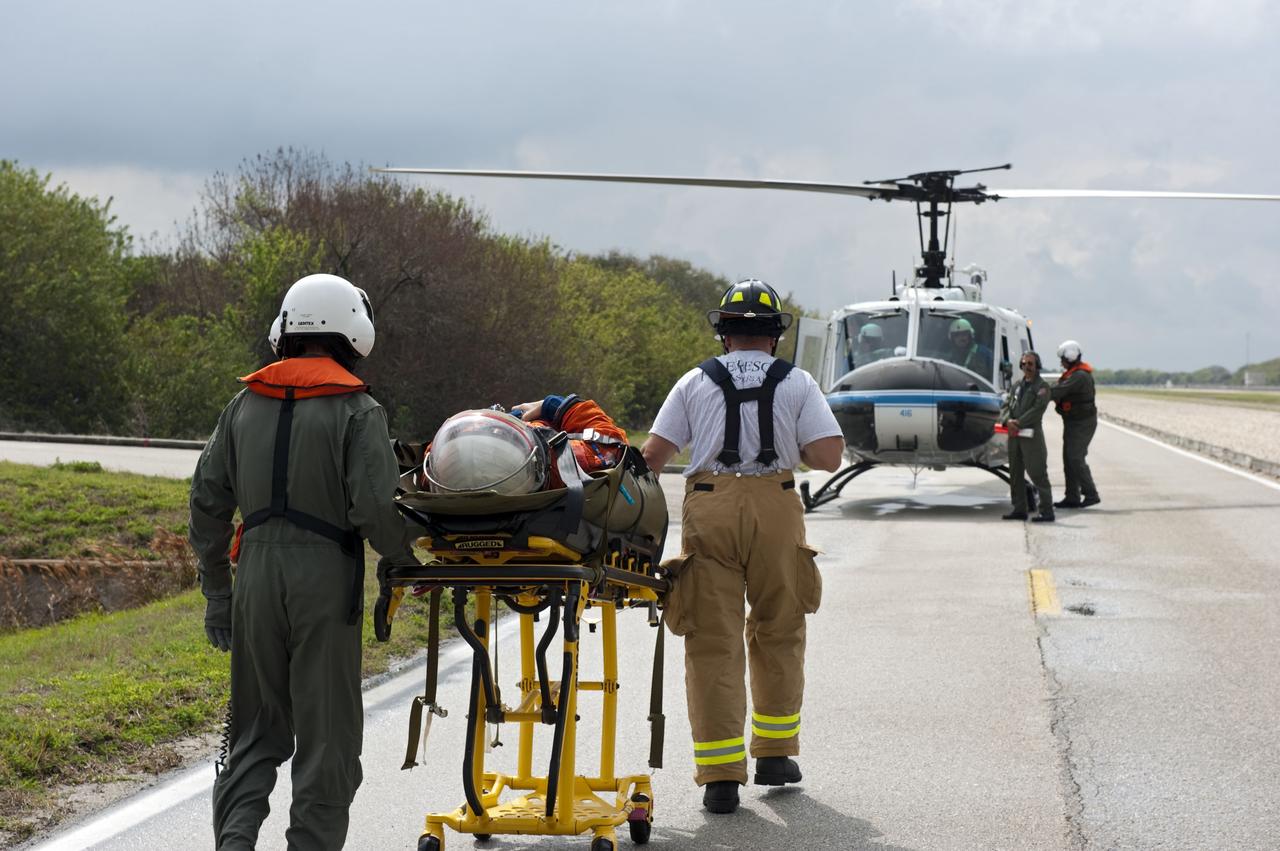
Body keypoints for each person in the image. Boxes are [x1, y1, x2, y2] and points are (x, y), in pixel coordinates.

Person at [189, 273, 420, 850]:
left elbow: (206, 501)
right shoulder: (359, 410)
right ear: (352, 332)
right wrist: (404, 559)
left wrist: (219, 593)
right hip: (324, 577)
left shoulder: (242, 405)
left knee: (253, 732)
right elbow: (373, 506)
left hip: (256, 581)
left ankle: (236, 842)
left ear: (286, 331)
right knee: (327, 740)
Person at [640, 279, 844, 815]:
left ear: (724, 335)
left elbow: (654, 456)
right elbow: (828, 457)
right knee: (780, 625)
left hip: (711, 504)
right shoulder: (797, 382)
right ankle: (775, 756)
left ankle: (722, 777)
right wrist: (784, 435)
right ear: (775, 336)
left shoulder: (692, 381)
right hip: (775, 504)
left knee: (712, 638)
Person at [999, 351, 1054, 522]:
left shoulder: (1042, 387)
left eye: (1030, 364)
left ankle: (1046, 511)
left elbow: (1038, 410)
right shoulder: (1016, 386)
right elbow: (1005, 405)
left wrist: (1018, 423)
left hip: (1031, 437)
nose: (1027, 367)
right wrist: (1007, 421)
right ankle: (1019, 508)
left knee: (1037, 473)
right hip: (1014, 436)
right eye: (1024, 364)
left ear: (1037, 366)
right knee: (1015, 473)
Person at [1051, 340, 1101, 508]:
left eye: (1062, 358)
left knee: (1075, 457)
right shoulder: (1074, 374)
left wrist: (1039, 391)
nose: (1061, 362)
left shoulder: (1079, 376)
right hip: (1073, 422)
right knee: (1068, 458)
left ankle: (1091, 494)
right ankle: (1072, 497)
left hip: (1082, 423)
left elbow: (1058, 391)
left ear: (1070, 356)